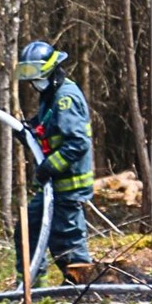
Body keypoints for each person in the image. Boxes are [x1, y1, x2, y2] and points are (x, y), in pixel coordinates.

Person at [14, 41, 94, 283]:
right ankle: (31, 291)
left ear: (52, 70)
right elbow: (48, 125)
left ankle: (82, 297)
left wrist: (50, 166)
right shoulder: (49, 96)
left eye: (37, 77)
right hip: (53, 188)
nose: (34, 84)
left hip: (68, 188)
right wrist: (29, 130)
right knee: (28, 231)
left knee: (67, 242)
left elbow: (77, 144)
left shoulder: (65, 99)